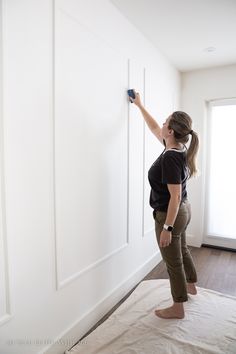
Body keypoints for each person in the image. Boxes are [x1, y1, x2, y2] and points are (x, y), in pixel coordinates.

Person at [128, 89, 199, 319]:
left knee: (173, 262)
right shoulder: (177, 147)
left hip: (171, 214)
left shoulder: (170, 157)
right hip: (184, 211)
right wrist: (139, 105)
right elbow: (153, 127)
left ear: (171, 130)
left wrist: (167, 228)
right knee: (183, 250)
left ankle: (178, 307)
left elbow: (174, 197)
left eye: (166, 120)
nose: (162, 121)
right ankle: (191, 285)